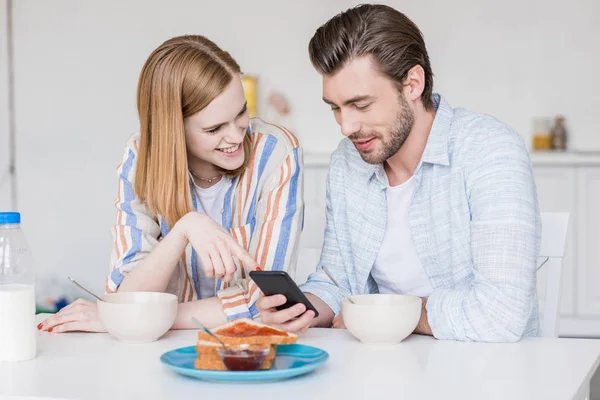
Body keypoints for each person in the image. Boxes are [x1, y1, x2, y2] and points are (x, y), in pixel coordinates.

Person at [257, 4, 541, 342]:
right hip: (382, 367)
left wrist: (383, 313)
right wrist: (300, 310)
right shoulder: (347, 162)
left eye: (361, 105)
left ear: (412, 84)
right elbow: (336, 282)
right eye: (335, 107)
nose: (346, 126)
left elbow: (501, 313)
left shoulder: (490, 150)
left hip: (484, 371)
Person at [39, 35, 304, 333]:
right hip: (156, 352)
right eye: (214, 128)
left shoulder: (274, 153)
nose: (235, 136)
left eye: (241, 112)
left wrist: (142, 317)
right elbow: (128, 296)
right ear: (174, 130)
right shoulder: (141, 157)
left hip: (244, 345)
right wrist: (184, 229)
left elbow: (270, 302)